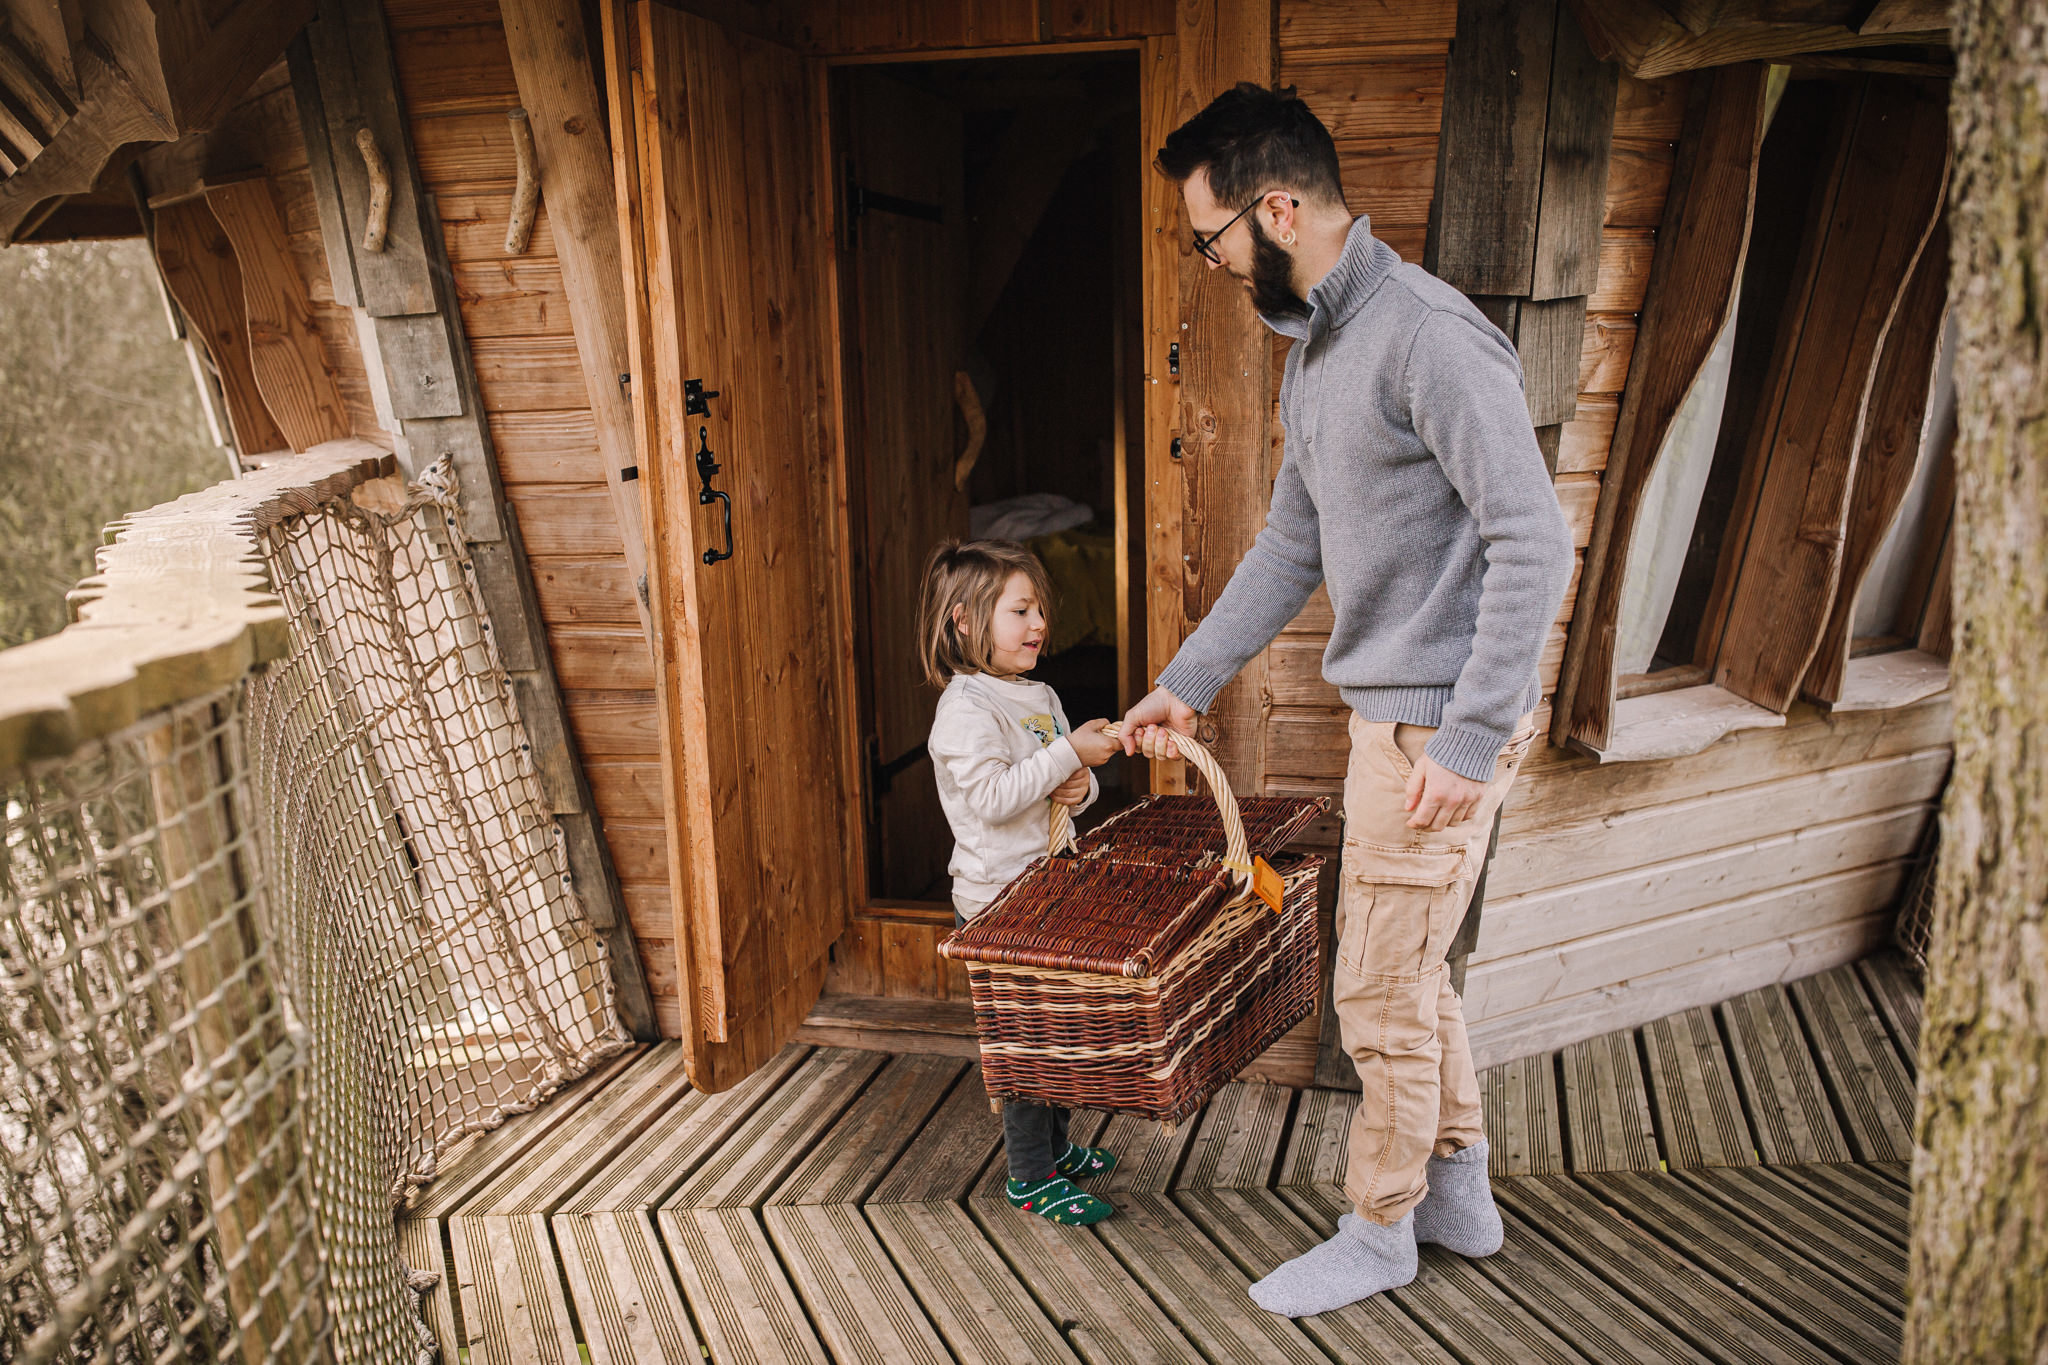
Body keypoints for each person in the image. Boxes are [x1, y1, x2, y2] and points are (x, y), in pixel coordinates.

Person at [1122, 83, 1575, 1316]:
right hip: (1405, 722)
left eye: (1210, 237)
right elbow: (1288, 546)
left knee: (1372, 985)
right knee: (1411, 966)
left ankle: (1379, 1231)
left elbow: (1533, 540)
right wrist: (1183, 683)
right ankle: (1462, 1192)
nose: (1211, 262)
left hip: (1440, 729)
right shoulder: (1319, 350)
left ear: (1275, 208)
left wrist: (1471, 739)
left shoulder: (1429, 336)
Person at [918, 539, 1125, 1225]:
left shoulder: (1040, 693)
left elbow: (1063, 792)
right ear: (965, 621)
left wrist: (1082, 778)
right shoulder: (965, 707)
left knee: (1054, 1030)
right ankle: (1030, 1177)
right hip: (997, 906)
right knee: (1022, 1044)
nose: (1038, 623)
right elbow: (993, 797)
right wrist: (1066, 752)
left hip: (1048, 892)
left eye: (1039, 608)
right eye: (1020, 609)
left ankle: (1058, 1149)